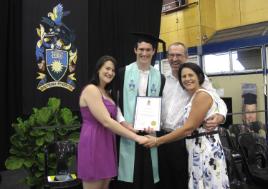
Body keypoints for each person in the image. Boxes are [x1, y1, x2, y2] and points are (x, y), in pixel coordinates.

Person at [145, 63, 230, 189]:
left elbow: (188, 128)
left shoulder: (202, 95)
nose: (187, 79)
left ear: (200, 77)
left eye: (191, 75)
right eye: (184, 76)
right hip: (195, 149)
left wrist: (158, 141)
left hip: (205, 150)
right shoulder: (194, 95)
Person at [77, 55, 148, 189]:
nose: (110, 73)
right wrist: (137, 138)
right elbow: (106, 121)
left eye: (113, 70)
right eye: (107, 68)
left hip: (107, 142)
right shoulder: (91, 89)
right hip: (93, 141)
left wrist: (134, 128)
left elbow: (118, 117)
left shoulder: (108, 93)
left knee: (105, 185)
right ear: (98, 69)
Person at [110, 33, 166, 189]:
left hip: (150, 132)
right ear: (135, 50)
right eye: (141, 49)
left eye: (148, 50)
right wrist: (123, 122)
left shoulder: (160, 77)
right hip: (127, 131)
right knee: (129, 176)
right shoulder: (122, 73)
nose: (144, 53)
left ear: (154, 51)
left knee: (148, 174)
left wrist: (156, 123)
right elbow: (114, 102)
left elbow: (162, 104)